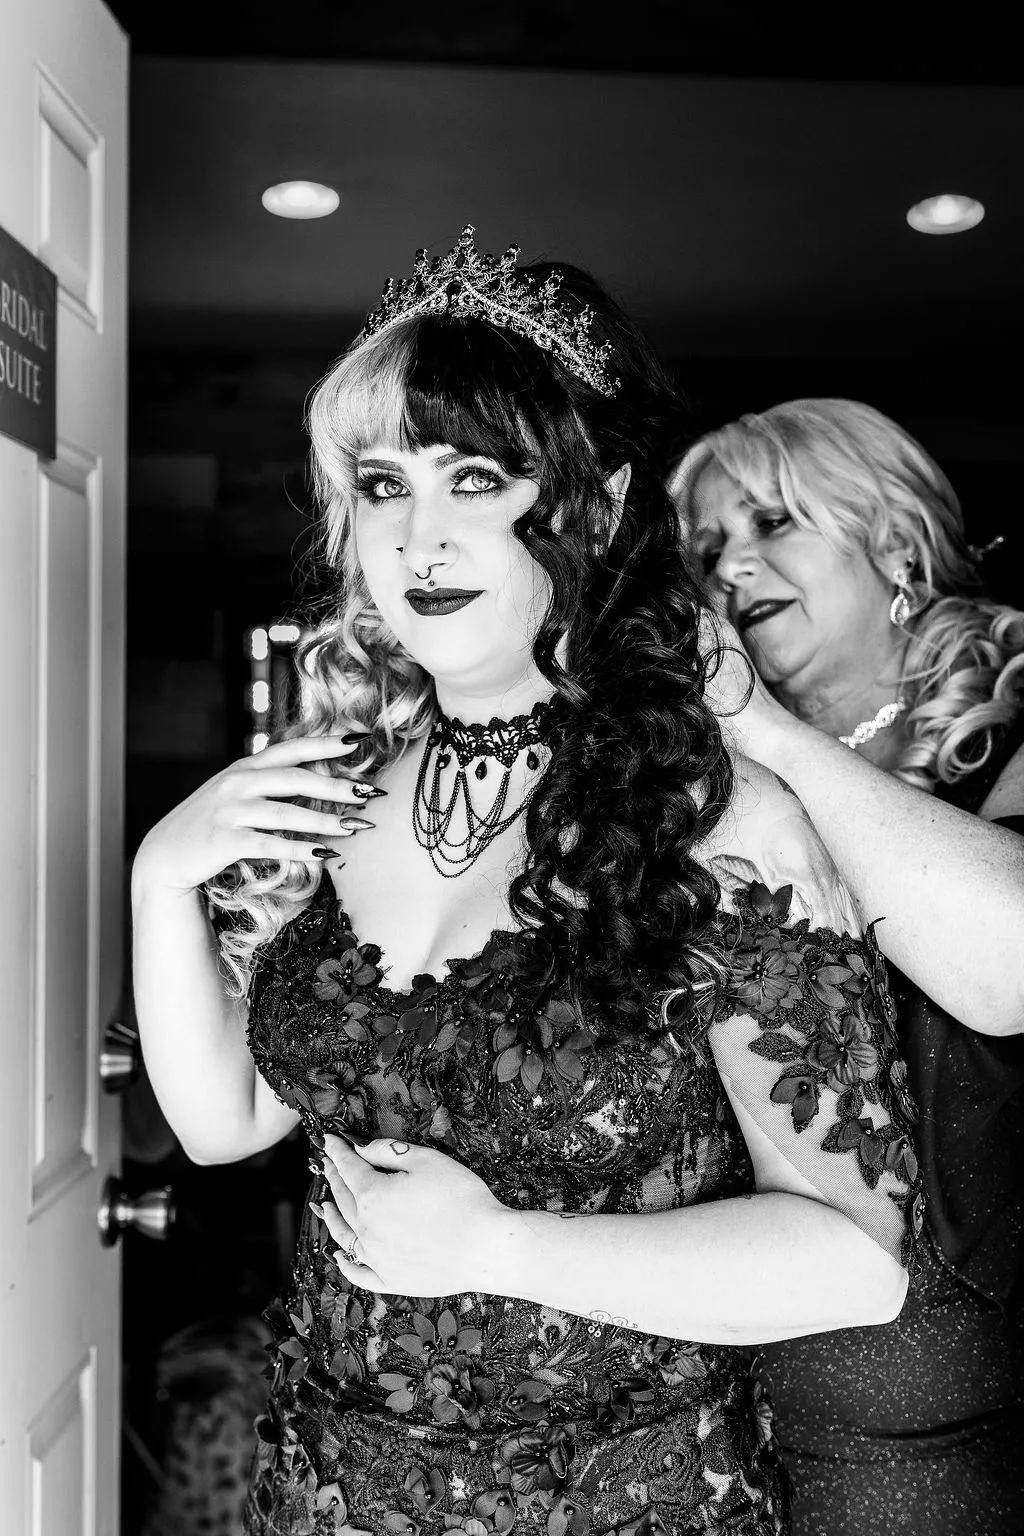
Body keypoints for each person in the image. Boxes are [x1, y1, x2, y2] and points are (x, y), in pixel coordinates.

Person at [132, 235, 921, 1536]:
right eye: (382, 485)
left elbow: (857, 1258)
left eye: (476, 478)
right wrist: (160, 876)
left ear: (597, 509)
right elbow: (224, 1123)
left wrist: (500, 1247)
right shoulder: (330, 793)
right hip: (326, 1497)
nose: (421, 535)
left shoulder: (719, 825)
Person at [670, 397, 1024, 1536]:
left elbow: (1009, 961)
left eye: (772, 523)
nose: (732, 568)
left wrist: (762, 729)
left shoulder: (1015, 718)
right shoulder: (702, 781)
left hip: (962, 1408)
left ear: (897, 541)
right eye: (708, 549)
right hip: (730, 1367)